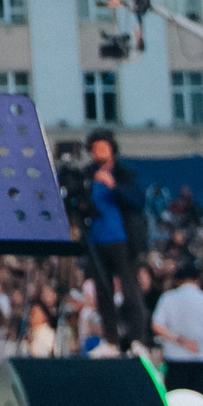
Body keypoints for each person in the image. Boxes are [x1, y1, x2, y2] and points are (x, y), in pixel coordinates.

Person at [79, 130, 144, 350]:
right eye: (95, 149)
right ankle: (111, 339)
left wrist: (113, 186)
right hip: (97, 240)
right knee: (103, 292)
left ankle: (136, 338)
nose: (99, 153)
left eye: (103, 148)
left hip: (122, 239)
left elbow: (137, 201)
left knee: (130, 291)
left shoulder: (124, 173)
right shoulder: (87, 174)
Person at [150, 259, 203, 396]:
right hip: (202, 358)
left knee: (177, 400)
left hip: (175, 360)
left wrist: (179, 340)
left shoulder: (168, 298)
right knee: (201, 401)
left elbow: (157, 326)